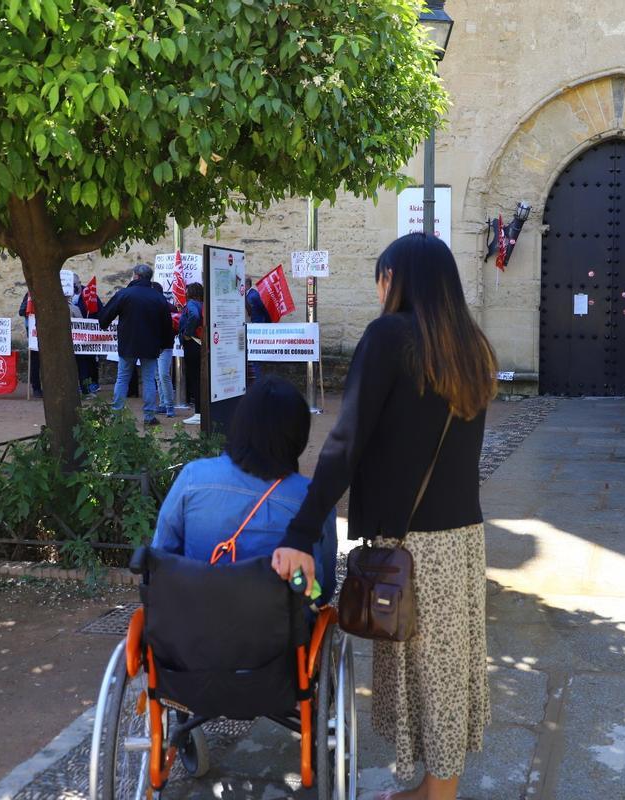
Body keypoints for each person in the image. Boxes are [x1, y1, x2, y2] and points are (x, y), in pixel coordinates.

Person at [272, 234, 497, 800]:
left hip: (413, 541)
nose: (378, 292)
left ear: (396, 279)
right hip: (463, 539)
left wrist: (302, 531)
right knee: (446, 671)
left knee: (430, 673)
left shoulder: (390, 337)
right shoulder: (471, 347)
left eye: (381, 278)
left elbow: (345, 443)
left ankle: (439, 797)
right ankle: (433, 786)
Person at [151, 375, 337, 605]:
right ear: (299, 435)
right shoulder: (312, 499)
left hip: (189, 628)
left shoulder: (194, 477)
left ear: (239, 424)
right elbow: (323, 585)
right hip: (280, 634)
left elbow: (160, 558)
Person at [97, 263, 174, 425]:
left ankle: (117, 415)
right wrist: (165, 344)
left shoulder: (124, 294)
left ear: (136, 276)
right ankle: (148, 416)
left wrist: (103, 321)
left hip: (128, 343)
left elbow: (104, 317)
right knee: (148, 380)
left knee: (122, 378)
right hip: (151, 345)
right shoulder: (158, 297)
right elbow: (167, 325)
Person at [177, 282, 205, 425]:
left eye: (187, 290)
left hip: (193, 343)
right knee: (200, 379)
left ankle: (199, 413)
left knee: (195, 378)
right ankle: (201, 411)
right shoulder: (203, 303)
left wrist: (187, 333)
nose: (185, 292)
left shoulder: (192, 304)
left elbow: (193, 316)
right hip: (201, 344)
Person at [150, 281, 176, 418]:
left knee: (163, 375)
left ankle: (170, 405)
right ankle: (164, 404)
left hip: (164, 346)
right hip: (155, 346)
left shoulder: (169, 308)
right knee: (158, 376)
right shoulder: (151, 307)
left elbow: (172, 328)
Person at [17, 291, 40, 398]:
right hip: (34, 334)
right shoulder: (30, 294)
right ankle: (36, 388)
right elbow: (21, 311)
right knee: (35, 361)